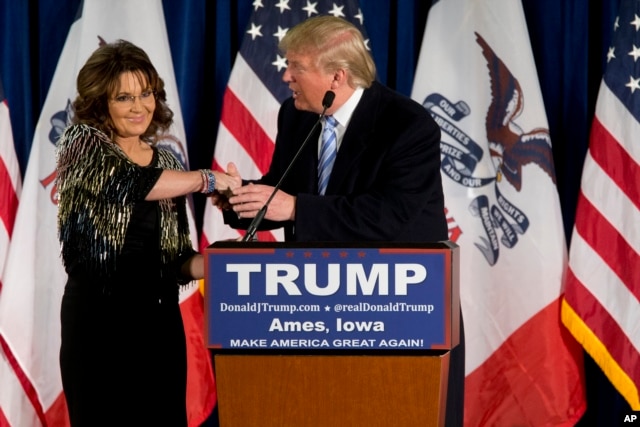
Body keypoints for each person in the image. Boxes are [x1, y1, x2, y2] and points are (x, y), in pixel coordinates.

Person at [220, 15, 464, 426]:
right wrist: (239, 197)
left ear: (337, 76)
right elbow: (284, 188)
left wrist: (296, 208)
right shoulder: (295, 116)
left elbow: (390, 215)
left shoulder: (407, 124)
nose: (285, 76)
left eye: (296, 67)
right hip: (315, 311)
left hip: (399, 309)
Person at [55, 39, 239, 426]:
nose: (139, 107)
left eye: (146, 94)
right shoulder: (81, 145)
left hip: (158, 328)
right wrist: (208, 180)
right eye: (124, 97)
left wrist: (220, 263)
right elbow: (129, 183)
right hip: (99, 326)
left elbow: (176, 260)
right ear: (99, 101)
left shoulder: (168, 161)